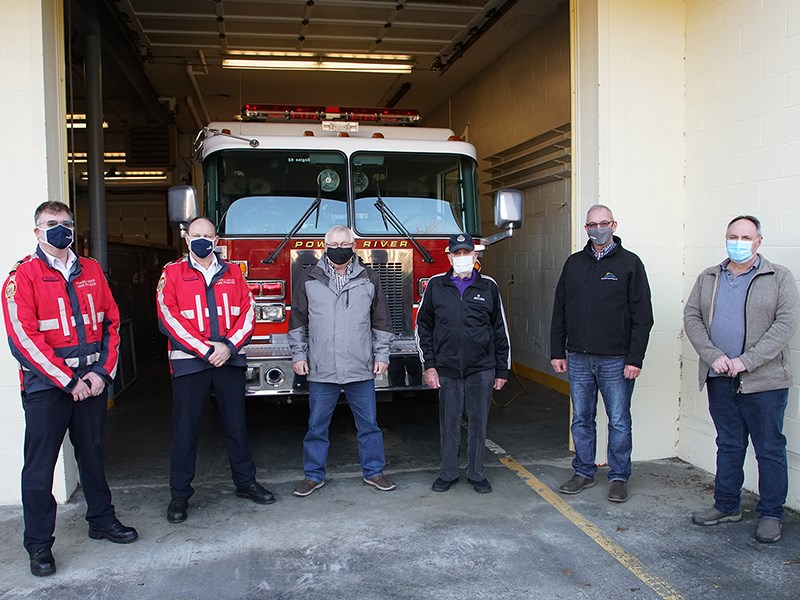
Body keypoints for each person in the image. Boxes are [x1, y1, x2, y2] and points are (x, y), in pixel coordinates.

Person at [2, 201, 138, 577]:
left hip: (90, 383)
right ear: (37, 231)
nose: (60, 229)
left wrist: (100, 374)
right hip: (46, 388)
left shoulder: (91, 270)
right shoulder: (22, 277)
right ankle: (39, 545)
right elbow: (23, 340)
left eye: (65, 223)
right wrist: (67, 380)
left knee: (92, 456)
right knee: (40, 468)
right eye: (51, 223)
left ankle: (101, 520)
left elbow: (112, 322)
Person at [684, 215, 798, 544]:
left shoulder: (779, 277)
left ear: (758, 242)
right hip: (720, 377)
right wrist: (712, 355)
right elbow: (692, 316)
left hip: (764, 382)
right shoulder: (709, 277)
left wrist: (745, 361)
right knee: (729, 445)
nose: (738, 242)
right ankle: (727, 505)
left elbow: (785, 325)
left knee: (769, 448)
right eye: (733, 236)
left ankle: (772, 514)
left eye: (746, 237)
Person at [157, 217, 273, 524]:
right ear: (186, 238)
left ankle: (246, 482)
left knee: (236, 426)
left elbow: (248, 312)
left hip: (228, 361)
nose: (202, 240)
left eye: (207, 236)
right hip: (190, 364)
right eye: (196, 235)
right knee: (186, 431)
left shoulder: (233, 272)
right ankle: (179, 495)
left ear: (216, 239)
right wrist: (206, 349)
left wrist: (228, 347)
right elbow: (167, 316)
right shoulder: (171, 273)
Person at [550, 204, 653, 503]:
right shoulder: (574, 263)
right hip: (579, 357)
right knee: (581, 418)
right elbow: (560, 309)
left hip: (615, 359)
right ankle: (583, 471)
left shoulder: (630, 264)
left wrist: (635, 358)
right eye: (592, 225)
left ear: (614, 225)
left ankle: (619, 477)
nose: (598, 229)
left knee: (619, 420)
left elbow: (642, 316)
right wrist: (558, 350)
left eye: (603, 223)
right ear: (586, 229)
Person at [288, 225, 396, 496]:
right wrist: (299, 355)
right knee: (316, 426)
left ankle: (374, 472)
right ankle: (313, 476)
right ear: (325, 246)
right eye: (334, 244)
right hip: (321, 367)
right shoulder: (308, 277)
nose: (339, 248)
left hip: (360, 366)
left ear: (354, 245)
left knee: (369, 425)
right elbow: (297, 321)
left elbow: (381, 320)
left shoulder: (369, 277)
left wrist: (382, 355)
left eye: (344, 243)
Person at [416, 233, 510, 493]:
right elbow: (423, 327)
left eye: (465, 253)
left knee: (479, 421)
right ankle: (447, 473)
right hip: (446, 368)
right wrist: (429, 365)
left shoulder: (488, 286)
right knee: (449, 422)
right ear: (448, 257)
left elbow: (500, 329)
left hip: (481, 368)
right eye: (456, 253)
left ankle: (476, 473)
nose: (461, 258)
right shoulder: (435, 286)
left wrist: (502, 369)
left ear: (475, 255)